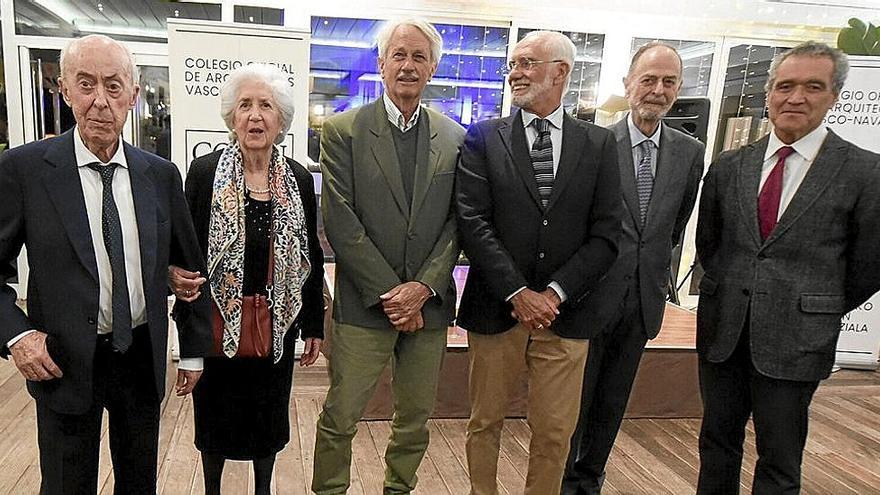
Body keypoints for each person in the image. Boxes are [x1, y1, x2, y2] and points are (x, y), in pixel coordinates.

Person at [0, 34, 212, 494]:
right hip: (62, 359)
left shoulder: (160, 175)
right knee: (65, 483)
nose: (100, 101)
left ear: (134, 96)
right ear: (64, 90)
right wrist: (16, 336)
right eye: (86, 84)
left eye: (114, 86)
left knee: (138, 483)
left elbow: (187, 267)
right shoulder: (25, 170)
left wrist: (192, 347)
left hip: (139, 354)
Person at [695, 41, 880, 494]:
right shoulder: (728, 165)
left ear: (834, 96)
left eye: (812, 87)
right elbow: (710, 245)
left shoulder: (865, 171)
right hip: (724, 333)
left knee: (779, 457)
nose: (796, 98)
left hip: (797, 338)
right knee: (716, 444)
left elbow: (869, 264)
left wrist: (812, 304)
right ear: (768, 95)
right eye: (785, 86)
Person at [455, 30, 622, 495]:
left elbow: (608, 234)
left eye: (527, 63)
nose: (515, 73)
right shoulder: (484, 137)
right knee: (484, 422)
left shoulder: (599, 145)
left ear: (560, 72)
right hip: (496, 309)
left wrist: (553, 294)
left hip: (567, 315)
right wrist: (518, 292)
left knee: (554, 432)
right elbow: (474, 222)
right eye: (514, 64)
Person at [312, 18, 465, 494]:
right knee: (341, 415)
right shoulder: (343, 132)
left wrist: (421, 289)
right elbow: (340, 220)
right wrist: (392, 294)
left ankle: (400, 488)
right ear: (380, 63)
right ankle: (330, 489)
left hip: (430, 306)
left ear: (433, 67)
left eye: (419, 57)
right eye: (399, 55)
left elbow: (456, 223)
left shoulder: (457, 138)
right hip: (364, 303)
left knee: (416, 419)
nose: (408, 65)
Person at [168, 63, 325, 495]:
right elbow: (185, 257)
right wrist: (189, 342)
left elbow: (308, 251)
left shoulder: (297, 178)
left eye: (266, 106)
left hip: (277, 326)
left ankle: (262, 489)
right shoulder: (203, 173)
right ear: (231, 117)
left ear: (281, 120)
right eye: (245, 105)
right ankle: (213, 489)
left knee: (268, 422)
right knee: (215, 423)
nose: (255, 116)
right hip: (216, 323)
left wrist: (313, 323)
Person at [563, 42, 705, 495]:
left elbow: (673, 225)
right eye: (648, 79)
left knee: (612, 403)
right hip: (591, 296)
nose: (658, 90)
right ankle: (561, 480)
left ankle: (590, 481)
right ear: (628, 84)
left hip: (643, 300)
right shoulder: (595, 143)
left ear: (678, 88)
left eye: (668, 82)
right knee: (575, 404)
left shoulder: (689, 152)